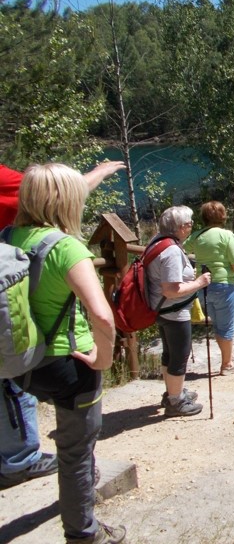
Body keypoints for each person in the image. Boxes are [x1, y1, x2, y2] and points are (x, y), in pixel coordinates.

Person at [8, 163, 125, 543]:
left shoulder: (10, 236)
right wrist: (104, 359)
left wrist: (98, 173)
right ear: (67, 201)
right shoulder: (66, 247)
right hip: (69, 366)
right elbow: (102, 315)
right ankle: (84, 532)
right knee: (76, 452)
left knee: (72, 445)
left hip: (23, 363)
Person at [147, 206, 211, 416]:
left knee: (170, 353)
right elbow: (172, 290)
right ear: (181, 227)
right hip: (174, 311)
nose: (191, 227)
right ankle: (176, 401)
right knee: (180, 355)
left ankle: (173, 392)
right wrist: (200, 282)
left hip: (160, 309)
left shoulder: (156, 241)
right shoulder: (172, 251)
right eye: (190, 224)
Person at [183, 201, 234, 375]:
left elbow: (182, 248)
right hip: (224, 285)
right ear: (222, 216)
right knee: (227, 326)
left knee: (218, 326)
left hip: (203, 286)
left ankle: (227, 358)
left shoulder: (197, 236)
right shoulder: (227, 236)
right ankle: (227, 364)